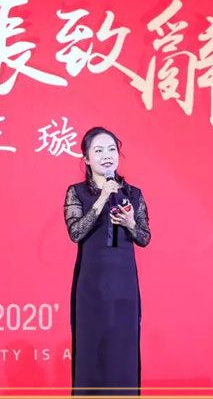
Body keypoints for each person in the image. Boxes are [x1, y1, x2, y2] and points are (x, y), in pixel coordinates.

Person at [63, 126, 151, 396]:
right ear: (87, 159)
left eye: (112, 149)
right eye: (99, 151)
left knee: (123, 348)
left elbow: (144, 237)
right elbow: (75, 232)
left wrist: (130, 222)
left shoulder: (133, 194)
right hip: (91, 286)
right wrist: (101, 199)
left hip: (124, 286)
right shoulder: (77, 192)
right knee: (91, 349)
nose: (107, 156)